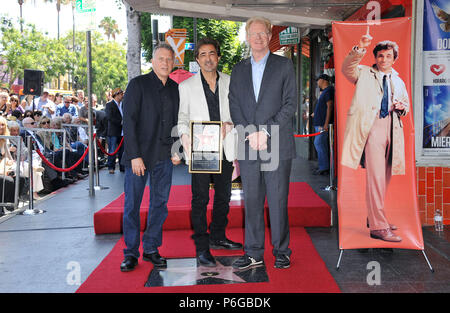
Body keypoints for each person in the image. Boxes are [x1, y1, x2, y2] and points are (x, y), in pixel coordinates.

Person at [228, 16, 297, 270]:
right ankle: (254, 252)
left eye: (262, 34)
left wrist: (264, 132)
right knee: (253, 200)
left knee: (278, 200)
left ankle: (282, 251)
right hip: (248, 144)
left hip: (276, 143)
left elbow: (290, 104)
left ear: (269, 36)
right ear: (247, 37)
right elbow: (234, 104)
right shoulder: (238, 69)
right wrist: (250, 133)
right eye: (253, 34)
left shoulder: (284, 65)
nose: (258, 38)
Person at [341, 27, 409, 243]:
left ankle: (374, 217)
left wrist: (401, 106)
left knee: (385, 177)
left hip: (393, 128)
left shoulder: (398, 81)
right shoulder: (363, 73)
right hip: (372, 127)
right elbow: (346, 68)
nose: (384, 59)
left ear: (394, 59)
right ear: (375, 57)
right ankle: (378, 227)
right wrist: (360, 47)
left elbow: (406, 105)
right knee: (376, 179)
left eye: (388, 56)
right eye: (380, 55)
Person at [178, 37, 242, 267]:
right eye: (203, 54)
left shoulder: (231, 82)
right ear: (197, 60)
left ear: (218, 57)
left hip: (225, 146)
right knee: (200, 198)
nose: (208, 58)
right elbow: (182, 118)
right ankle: (202, 248)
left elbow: (239, 111)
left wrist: (231, 123)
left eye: (212, 53)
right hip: (201, 147)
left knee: (224, 196)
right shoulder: (186, 87)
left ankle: (218, 236)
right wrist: (185, 137)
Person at [119, 43, 181, 272]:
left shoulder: (176, 88)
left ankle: (152, 248)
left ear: (173, 62)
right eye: (161, 58)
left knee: (159, 205)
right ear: (153, 62)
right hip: (140, 158)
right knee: (132, 206)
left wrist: (177, 150)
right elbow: (129, 122)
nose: (165, 63)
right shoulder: (137, 85)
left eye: (169, 59)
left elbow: (178, 123)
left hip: (165, 157)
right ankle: (131, 253)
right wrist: (134, 155)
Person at [312, 74, 334, 176]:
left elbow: (330, 106)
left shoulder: (329, 90)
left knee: (319, 143)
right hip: (319, 123)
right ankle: (323, 165)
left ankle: (324, 167)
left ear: (323, 80)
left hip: (322, 124)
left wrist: (326, 123)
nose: (317, 82)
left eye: (318, 80)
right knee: (321, 144)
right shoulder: (325, 91)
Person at [105, 87, 124, 174]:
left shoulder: (123, 104)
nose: (122, 95)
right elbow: (110, 117)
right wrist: (121, 122)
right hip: (113, 131)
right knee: (112, 149)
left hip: (122, 131)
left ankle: (122, 166)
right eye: (121, 94)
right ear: (116, 95)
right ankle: (111, 167)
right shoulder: (109, 105)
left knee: (122, 150)